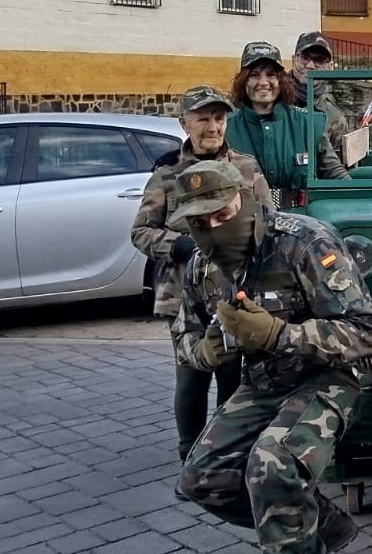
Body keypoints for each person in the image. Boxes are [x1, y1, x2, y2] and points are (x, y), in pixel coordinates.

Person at [172, 159, 372, 554]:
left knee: (271, 463)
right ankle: (319, 525)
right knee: (201, 479)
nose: (212, 228)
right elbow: (184, 336)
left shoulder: (302, 242)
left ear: (243, 201)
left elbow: (367, 333)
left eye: (221, 212)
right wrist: (205, 353)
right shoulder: (204, 267)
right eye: (198, 221)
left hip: (339, 374)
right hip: (268, 379)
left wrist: (279, 334)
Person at [130, 85, 274, 460]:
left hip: (234, 289)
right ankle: (189, 452)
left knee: (234, 375)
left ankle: (229, 448)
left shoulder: (245, 166)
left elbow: (268, 221)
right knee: (192, 374)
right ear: (184, 123)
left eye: (219, 118)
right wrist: (178, 246)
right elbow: (141, 231)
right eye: (203, 119)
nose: (212, 127)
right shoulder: (167, 171)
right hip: (183, 293)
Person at [225, 41, 350, 206]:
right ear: (243, 81)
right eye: (254, 75)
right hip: (245, 223)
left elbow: (336, 174)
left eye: (271, 75)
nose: (263, 82)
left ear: (281, 80)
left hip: (301, 220)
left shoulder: (307, 123)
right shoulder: (226, 128)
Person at [287, 30, 351, 159]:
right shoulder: (270, 98)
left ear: (330, 66)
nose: (310, 66)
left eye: (319, 60)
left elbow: (335, 168)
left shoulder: (335, 118)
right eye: (304, 58)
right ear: (294, 59)